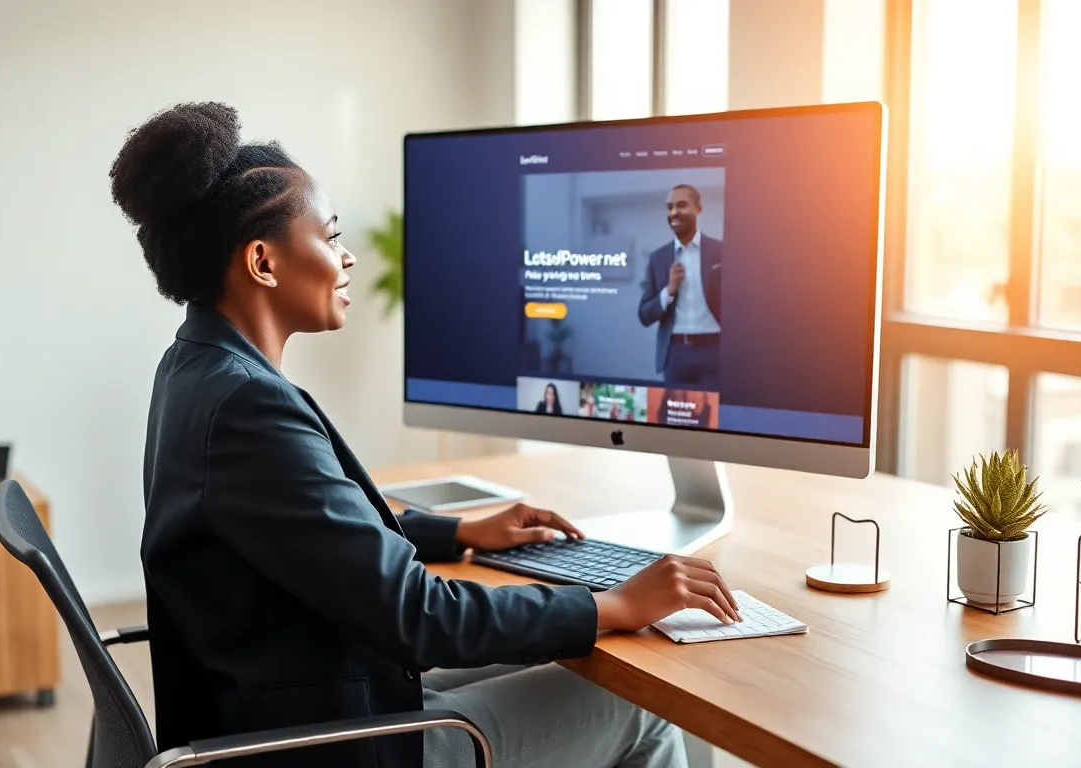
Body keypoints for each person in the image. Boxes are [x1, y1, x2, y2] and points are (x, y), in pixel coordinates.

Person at [112, 102, 741, 768]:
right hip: (325, 741)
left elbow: (310, 537)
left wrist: (459, 533)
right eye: (329, 236)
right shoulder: (248, 406)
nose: (347, 257)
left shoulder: (195, 368)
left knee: (558, 670)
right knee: (638, 708)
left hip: (304, 688)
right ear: (264, 262)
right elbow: (418, 617)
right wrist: (606, 605)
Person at [637, 185, 724, 389]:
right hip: (675, 353)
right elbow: (644, 315)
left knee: (714, 417)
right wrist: (668, 291)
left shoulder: (722, 251)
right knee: (673, 416)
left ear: (698, 209)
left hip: (715, 350)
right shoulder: (658, 259)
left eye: (682, 205)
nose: (674, 212)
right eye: (670, 207)